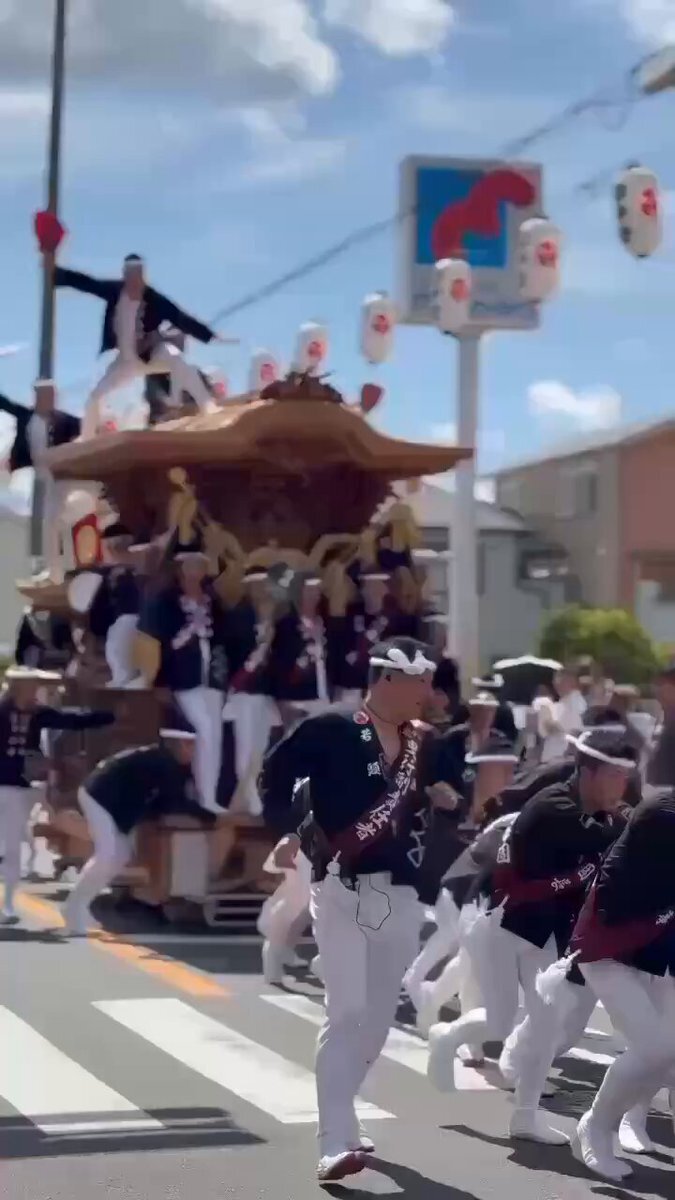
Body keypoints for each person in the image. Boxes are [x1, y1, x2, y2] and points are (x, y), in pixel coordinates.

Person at [259, 636, 459, 1183]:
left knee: (374, 1025)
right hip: (339, 883)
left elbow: (409, 800)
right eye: (420, 681)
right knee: (345, 1013)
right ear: (389, 678)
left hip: (398, 891)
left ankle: (343, 1115)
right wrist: (288, 832)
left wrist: (436, 794)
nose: (428, 692)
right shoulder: (331, 727)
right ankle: (332, 1144)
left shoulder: (425, 741)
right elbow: (274, 777)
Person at [427, 729, 637, 1139]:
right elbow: (605, 840)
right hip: (503, 923)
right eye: (615, 776)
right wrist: (632, 826)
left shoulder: (598, 814)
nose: (622, 786)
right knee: (503, 1021)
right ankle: (448, 1036)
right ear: (589, 772)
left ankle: (525, 1116)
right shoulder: (555, 808)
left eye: (626, 777)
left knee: (545, 1020)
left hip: (544, 931)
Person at [569, 790, 675, 1182]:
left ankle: (624, 1120)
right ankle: (595, 1127)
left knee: (667, 1053)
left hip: (660, 945)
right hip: (610, 943)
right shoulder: (663, 811)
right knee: (655, 1048)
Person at [63, 712, 215, 935]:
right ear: (177, 744)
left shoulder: (167, 762)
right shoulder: (165, 763)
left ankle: (81, 904)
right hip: (98, 796)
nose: (193, 751)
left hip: (116, 806)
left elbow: (161, 804)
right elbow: (173, 804)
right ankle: (72, 908)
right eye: (190, 745)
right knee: (107, 855)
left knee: (120, 856)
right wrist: (211, 817)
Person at [53, 253, 222, 434]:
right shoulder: (114, 291)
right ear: (125, 275)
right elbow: (88, 283)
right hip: (126, 361)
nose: (135, 281)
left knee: (175, 357)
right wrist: (58, 275)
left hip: (151, 354)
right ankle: (86, 437)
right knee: (95, 397)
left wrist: (209, 336)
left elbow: (180, 317)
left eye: (138, 275)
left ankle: (207, 406)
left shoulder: (154, 298)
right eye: (131, 275)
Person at [0, 665, 114, 923]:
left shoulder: (39, 714)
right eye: (30, 684)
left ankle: (7, 904)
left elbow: (71, 721)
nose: (34, 689)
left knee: (13, 846)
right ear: (17, 686)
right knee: (9, 845)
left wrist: (109, 715)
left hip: (21, 787)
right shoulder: (2, 712)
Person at [137, 540, 234, 813]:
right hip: (182, 679)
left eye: (200, 565)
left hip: (212, 679)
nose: (196, 571)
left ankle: (209, 796)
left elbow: (224, 638)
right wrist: (159, 681)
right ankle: (199, 793)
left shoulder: (212, 601)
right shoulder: (167, 601)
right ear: (180, 567)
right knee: (201, 730)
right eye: (191, 565)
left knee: (214, 734)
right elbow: (158, 644)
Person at [0, 378, 83, 580]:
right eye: (42, 395)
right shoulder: (25, 415)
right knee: (35, 509)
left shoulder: (68, 421)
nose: (47, 399)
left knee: (56, 515)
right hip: (28, 472)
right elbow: (4, 402)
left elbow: (86, 433)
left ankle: (60, 564)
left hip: (56, 474)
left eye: (50, 395)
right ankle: (41, 562)